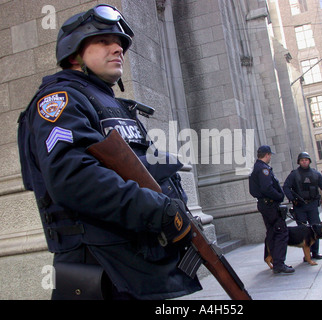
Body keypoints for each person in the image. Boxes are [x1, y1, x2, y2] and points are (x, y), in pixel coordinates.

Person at [17, 4, 201, 300]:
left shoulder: (111, 103)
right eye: (104, 41)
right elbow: (73, 178)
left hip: (135, 262)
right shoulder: (59, 100)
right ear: (74, 53)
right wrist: (158, 210)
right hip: (99, 268)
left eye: (121, 45)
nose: (118, 49)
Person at [249, 145, 295, 274]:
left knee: (272, 232)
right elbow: (267, 188)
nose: (270, 158)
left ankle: (276, 261)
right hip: (270, 205)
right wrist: (279, 196)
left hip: (265, 204)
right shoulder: (263, 169)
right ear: (267, 155)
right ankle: (279, 263)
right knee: (281, 232)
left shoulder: (257, 168)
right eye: (270, 156)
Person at [283, 152, 322, 261]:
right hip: (299, 206)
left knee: (316, 230)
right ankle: (307, 255)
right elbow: (286, 187)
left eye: (306, 160)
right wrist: (292, 198)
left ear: (309, 161)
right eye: (302, 160)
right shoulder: (294, 175)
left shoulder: (316, 174)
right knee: (303, 231)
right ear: (299, 162)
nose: (304, 161)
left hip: (312, 206)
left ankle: (315, 252)